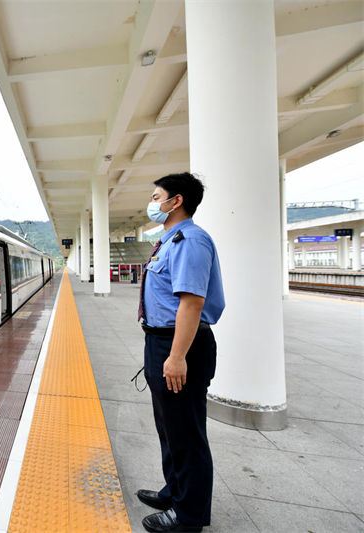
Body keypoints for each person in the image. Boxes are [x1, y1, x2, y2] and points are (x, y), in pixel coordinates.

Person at [136, 173, 224, 533]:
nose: (153, 203)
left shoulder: (190, 240)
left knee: (186, 433)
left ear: (176, 201)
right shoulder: (168, 240)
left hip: (179, 345)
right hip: (161, 342)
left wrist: (176, 357)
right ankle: (175, 490)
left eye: (157, 196)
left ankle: (188, 517)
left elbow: (191, 302)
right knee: (169, 428)